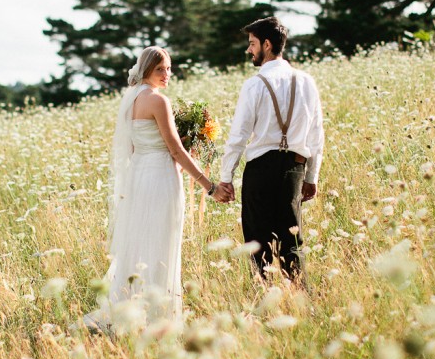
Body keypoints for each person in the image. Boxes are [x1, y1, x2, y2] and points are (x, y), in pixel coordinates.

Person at [82, 46, 231, 332]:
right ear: (147, 69)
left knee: (140, 244)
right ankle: (157, 317)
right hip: (161, 178)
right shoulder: (158, 101)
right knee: (160, 244)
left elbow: (138, 146)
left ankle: (129, 309)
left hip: (140, 178)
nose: (166, 74)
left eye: (169, 68)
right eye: (160, 68)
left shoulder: (133, 99)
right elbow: (174, 149)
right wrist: (208, 186)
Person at [218, 17, 325, 283]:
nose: (249, 50)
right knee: (292, 242)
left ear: (267, 44)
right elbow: (316, 134)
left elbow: (239, 136)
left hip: (260, 170)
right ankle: (302, 303)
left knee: (258, 242)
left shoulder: (254, 84)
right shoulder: (306, 81)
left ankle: (265, 302)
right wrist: (311, 177)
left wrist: (225, 177)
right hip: (294, 169)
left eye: (252, 44)